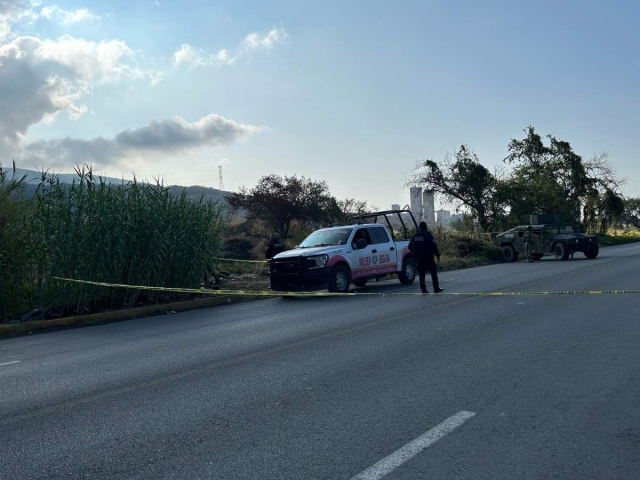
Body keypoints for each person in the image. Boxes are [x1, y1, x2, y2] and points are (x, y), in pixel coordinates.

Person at [408, 221, 443, 294]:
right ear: (426, 227)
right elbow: (433, 246)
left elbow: (409, 247)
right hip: (428, 258)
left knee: (422, 275)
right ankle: (436, 288)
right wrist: (438, 255)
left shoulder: (415, 236)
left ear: (419, 227)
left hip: (419, 259)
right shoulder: (428, 235)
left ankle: (424, 290)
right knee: (433, 274)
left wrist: (414, 255)